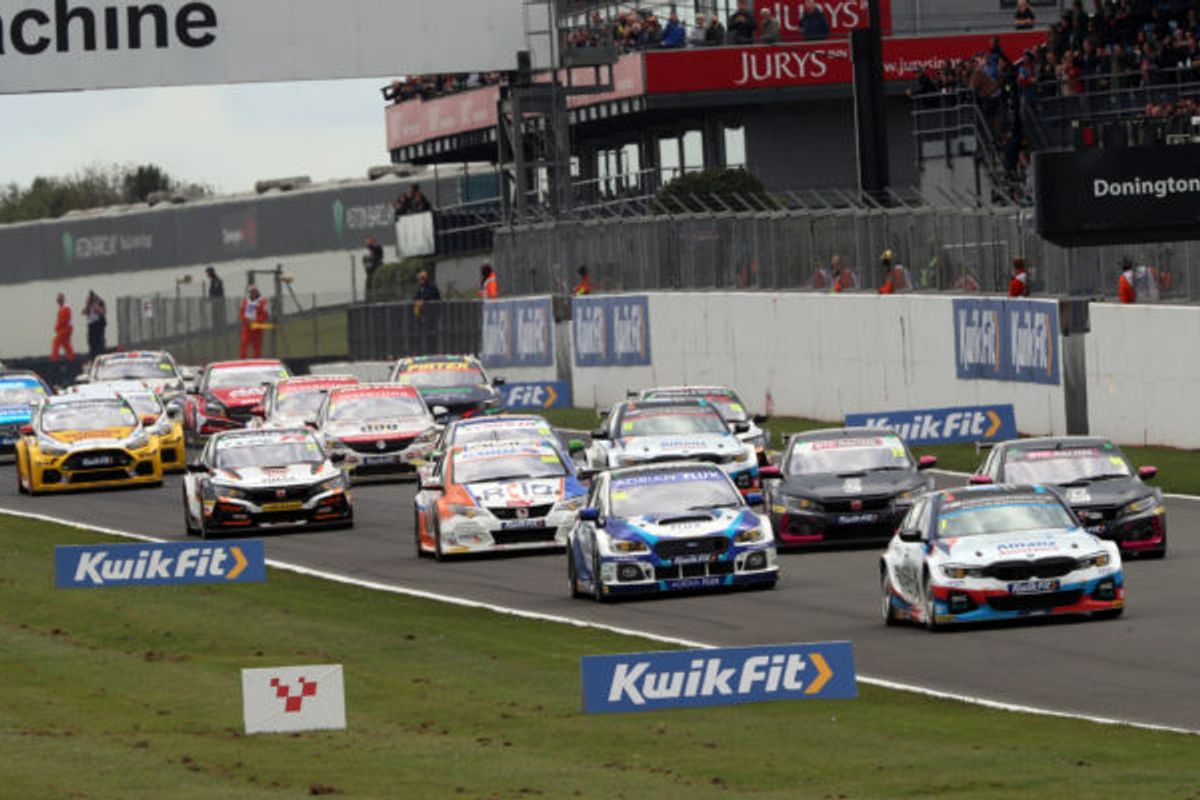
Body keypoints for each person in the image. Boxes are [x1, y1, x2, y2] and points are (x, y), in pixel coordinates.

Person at [239, 285, 270, 358]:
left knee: (257, 344)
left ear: (257, 292)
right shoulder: (246, 301)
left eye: (253, 292)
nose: (252, 294)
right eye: (250, 292)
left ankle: (257, 359)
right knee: (244, 343)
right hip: (247, 326)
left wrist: (256, 321)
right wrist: (244, 320)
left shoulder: (263, 301)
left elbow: (265, 315)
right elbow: (242, 312)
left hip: (257, 326)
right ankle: (243, 359)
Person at [82, 290, 107, 360]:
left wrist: (94, 305)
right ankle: (93, 357)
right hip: (91, 326)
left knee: (99, 343)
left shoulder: (100, 303)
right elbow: (84, 312)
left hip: (98, 325)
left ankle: (101, 357)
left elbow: (102, 312)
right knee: (91, 343)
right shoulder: (88, 305)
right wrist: (88, 304)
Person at [51, 293, 74, 362]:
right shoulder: (62, 308)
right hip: (61, 330)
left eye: (59, 298)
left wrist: (57, 328)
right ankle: (71, 358)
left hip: (65, 329)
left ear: (63, 299)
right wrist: (56, 329)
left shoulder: (66, 308)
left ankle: (54, 360)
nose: (58, 300)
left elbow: (64, 321)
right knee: (66, 343)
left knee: (56, 342)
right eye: (58, 299)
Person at [364, 237, 385, 301]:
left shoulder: (377, 248)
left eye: (369, 241)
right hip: (369, 273)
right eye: (366, 242)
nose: (367, 243)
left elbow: (380, 257)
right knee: (369, 288)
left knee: (377, 286)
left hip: (376, 271)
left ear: (373, 241)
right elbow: (365, 260)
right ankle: (369, 300)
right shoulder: (366, 250)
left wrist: (372, 257)